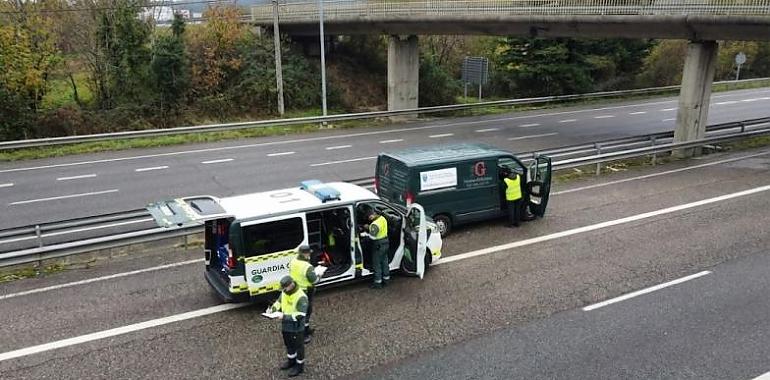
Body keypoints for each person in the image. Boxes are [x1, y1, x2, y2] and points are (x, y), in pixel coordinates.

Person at [268, 276, 309, 377]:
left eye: (285, 288)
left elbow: (300, 315)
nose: (283, 290)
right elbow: (279, 302)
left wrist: (284, 316)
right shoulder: (285, 292)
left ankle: (299, 366)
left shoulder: (301, 297)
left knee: (298, 346)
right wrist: (272, 309)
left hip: (296, 327)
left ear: (291, 285)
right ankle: (291, 361)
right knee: (289, 344)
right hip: (286, 325)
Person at [289, 245, 319, 344]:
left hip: (296, 290)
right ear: (305, 254)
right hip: (305, 291)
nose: (309, 255)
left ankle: (306, 329)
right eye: (309, 253)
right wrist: (319, 275)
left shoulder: (293, 261)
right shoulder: (307, 266)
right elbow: (314, 280)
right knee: (304, 313)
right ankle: (302, 336)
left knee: (305, 312)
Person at [360, 210, 390, 289]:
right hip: (386, 242)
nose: (369, 219)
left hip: (378, 245)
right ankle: (386, 279)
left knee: (377, 264)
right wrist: (369, 227)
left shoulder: (374, 224)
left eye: (369, 217)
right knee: (384, 262)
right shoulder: (382, 218)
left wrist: (364, 234)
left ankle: (377, 283)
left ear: (372, 215)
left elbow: (372, 237)